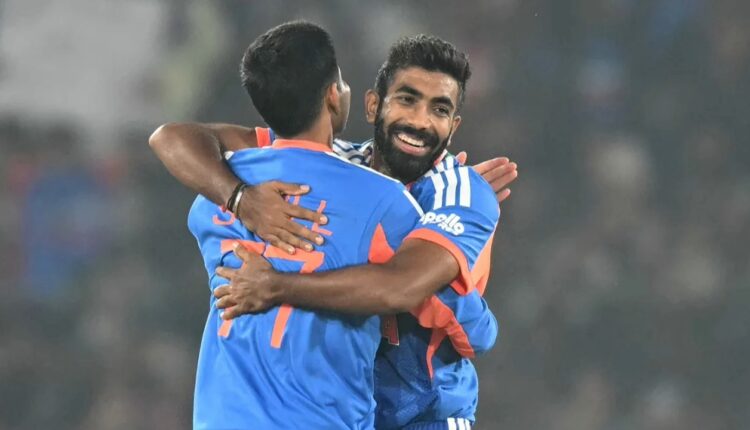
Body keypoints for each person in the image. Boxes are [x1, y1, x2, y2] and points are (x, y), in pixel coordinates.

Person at [151, 35, 518, 429]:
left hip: (424, 417)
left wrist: (277, 285)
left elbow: (419, 297)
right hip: (344, 411)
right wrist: (241, 198)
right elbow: (173, 137)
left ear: (453, 126)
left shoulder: (461, 194)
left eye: (439, 109)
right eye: (407, 100)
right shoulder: (328, 162)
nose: (420, 121)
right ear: (373, 105)